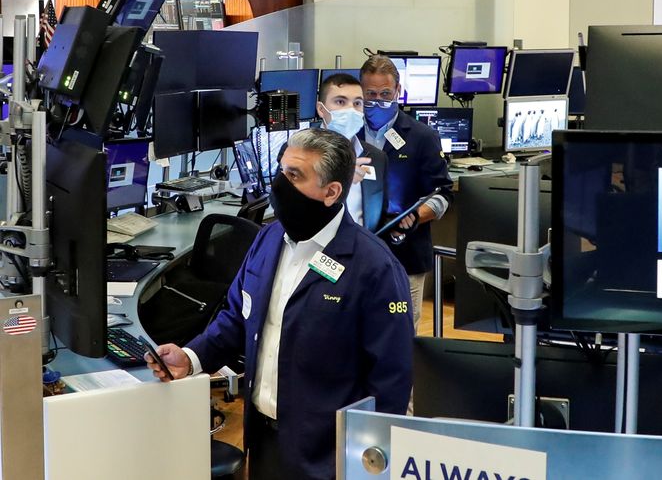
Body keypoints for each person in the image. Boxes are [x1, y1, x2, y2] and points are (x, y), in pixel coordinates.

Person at [146, 128, 414, 480]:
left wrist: (363, 463)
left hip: (328, 456)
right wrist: (192, 358)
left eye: (295, 175)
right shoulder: (268, 240)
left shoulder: (375, 268)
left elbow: (390, 381)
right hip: (264, 440)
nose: (279, 183)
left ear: (332, 192)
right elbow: (236, 318)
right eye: (282, 169)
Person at [359, 55, 454, 330]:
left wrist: (414, 216)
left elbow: (443, 194)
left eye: (385, 94)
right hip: (355, 253)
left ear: (398, 91)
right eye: (371, 94)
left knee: (400, 337)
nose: (378, 101)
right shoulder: (347, 134)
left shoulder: (422, 137)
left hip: (405, 256)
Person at [316, 72, 388, 232]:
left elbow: (380, 214)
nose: (350, 110)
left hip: (363, 251)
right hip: (318, 252)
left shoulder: (375, 157)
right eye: (340, 102)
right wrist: (340, 175)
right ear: (321, 109)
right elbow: (289, 208)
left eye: (357, 103)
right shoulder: (300, 152)